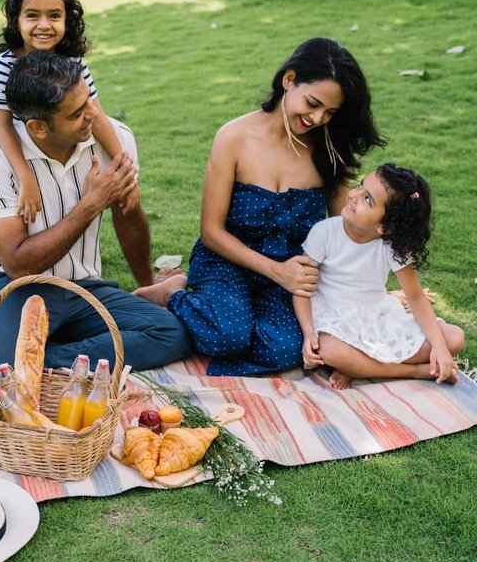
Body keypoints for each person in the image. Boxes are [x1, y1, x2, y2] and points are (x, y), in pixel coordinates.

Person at [135, 37, 385, 375]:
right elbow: (211, 232)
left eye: (330, 112)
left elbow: (346, 230)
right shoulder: (234, 137)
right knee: (228, 335)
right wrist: (277, 271)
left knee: (285, 350)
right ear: (288, 80)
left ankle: (218, 313)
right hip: (227, 260)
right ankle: (173, 293)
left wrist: (370, 296)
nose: (318, 118)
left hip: (291, 274)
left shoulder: (329, 149)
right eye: (312, 103)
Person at [0, 51, 190, 371]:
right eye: (77, 113)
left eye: (89, 99)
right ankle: (26, 357)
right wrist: (90, 205)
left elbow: (129, 219)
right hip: (17, 288)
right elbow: (18, 265)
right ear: (39, 127)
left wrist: (144, 278)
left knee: (171, 333)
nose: (93, 114)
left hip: (83, 286)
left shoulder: (116, 138)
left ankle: (39, 359)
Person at [293, 163, 465, 389]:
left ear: (386, 227)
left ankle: (358, 368)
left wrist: (440, 348)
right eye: (360, 186)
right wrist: (308, 333)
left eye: (367, 199)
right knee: (329, 350)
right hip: (334, 318)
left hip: (375, 314)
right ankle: (414, 371)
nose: (354, 196)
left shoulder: (391, 247)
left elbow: (416, 298)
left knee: (454, 338)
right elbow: (302, 288)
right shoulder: (324, 232)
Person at [0, 0, 138, 224]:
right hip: (15, 146)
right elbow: (2, 125)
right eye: (32, 15)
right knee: (19, 213)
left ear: (67, 20)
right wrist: (25, 176)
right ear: (16, 20)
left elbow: (97, 116)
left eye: (54, 15)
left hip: (59, 140)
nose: (44, 25)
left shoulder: (72, 62)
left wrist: (123, 165)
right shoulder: (6, 63)